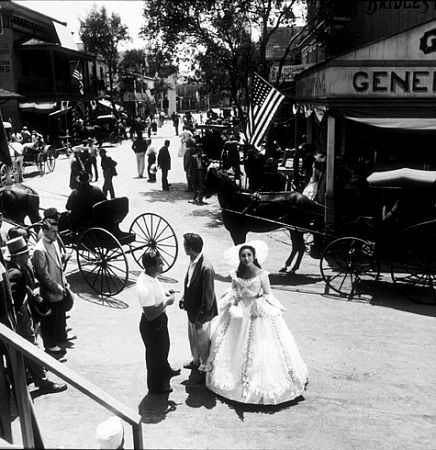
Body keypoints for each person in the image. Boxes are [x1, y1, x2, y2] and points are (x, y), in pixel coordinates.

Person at [205, 240, 308, 405]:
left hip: (256, 312)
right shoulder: (236, 273)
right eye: (243, 256)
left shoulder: (262, 274)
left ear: (254, 257)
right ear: (240, 258)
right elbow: (233, 289)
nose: (246, 258)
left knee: (261, 348)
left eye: (249, 255)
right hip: (239, 313)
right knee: (232, 344)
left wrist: (257, 303)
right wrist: (234, 297)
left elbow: (268, 294)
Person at [6, 236, 67, 393]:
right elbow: (12, 293)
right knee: (31, 346)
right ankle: (43, 382)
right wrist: (19, 308)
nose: (28, 256)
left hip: (20, 313)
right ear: (20, 256)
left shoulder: (12, 267)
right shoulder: (15, 273)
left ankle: (30, 375)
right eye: (26, 253)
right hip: (20, 316)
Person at [136, 250, 180, 394]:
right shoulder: (145, 288)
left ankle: (165, 371)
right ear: (150, 267)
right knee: (155, 356)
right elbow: (150, 314)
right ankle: (156, 387)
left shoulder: (150, 276)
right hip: (152, 324)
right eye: (160, 263)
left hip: (159, 321)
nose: (163, 265)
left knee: (163, 350)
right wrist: (166, 302)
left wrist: (163, 295)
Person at [179, 233, 217, 382]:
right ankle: (196, 361)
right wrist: (184, 297)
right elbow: (189, 281)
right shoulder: (193, 259)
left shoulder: (206, 267)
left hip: (201, 312)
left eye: (184, 245)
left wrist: (202, 315)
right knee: (193, 338)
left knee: (203, 341)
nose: (183, 247)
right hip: (191, 310)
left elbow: (208, 296)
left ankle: (205, 366)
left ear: (191, 248)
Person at [32, 219, 69, 353]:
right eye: (53, 231)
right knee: (49, 319)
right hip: (49, 291)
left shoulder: (55, 243)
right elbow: (43, 275)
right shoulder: (39, 250)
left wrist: (63, 282)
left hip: (60, 287)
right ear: (44, 231)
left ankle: (60, 337)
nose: (56, 234)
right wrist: (56, 287)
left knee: (60, 315)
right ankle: (50, 344)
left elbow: (58, 266)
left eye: (57, 231)